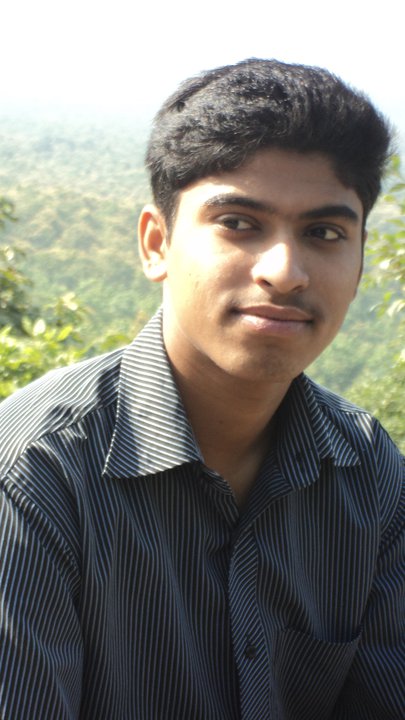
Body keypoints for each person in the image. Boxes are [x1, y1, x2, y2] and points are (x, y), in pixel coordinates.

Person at [0, 58, 403, 720]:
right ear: (156, 244)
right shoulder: (35, 475)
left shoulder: (369, 474)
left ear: (360, 265)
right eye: (239, 223)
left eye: (324, 233)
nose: (285, 271)